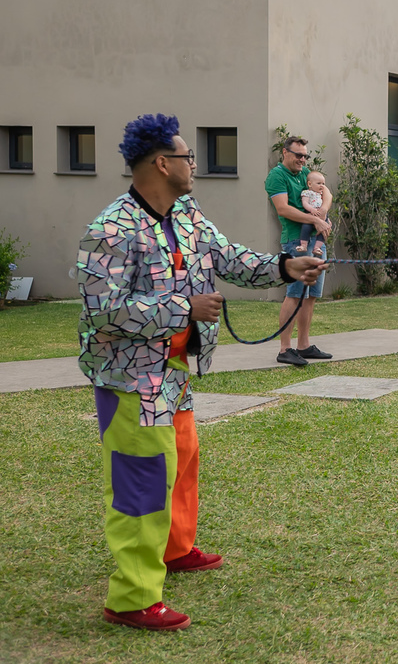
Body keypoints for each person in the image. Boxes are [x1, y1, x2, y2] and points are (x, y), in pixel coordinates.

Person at [79, 114, 326, 631]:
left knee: (183, 460)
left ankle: (175, 548)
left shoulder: (187, 214)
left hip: (173, 371)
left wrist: (285, 266)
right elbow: (103, 310)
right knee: (142, 482)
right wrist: (182, 308)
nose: (195, 165)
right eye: (189, 157)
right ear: (162, 163)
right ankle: (131, 598)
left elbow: (230, 258)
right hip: (130, 378)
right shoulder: (110, 229)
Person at [266, 136, 333, 367]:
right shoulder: (277, 176)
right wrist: (314, 219)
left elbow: (328, 194)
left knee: (311, 295)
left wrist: (322, 213)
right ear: (285, 153)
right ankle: (285, 348)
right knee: (295, 293)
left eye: (305, 155)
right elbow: (283, 209)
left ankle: (304, 345)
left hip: (316, 239)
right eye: (298, 155)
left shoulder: (306, 174)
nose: (302, 160)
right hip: (296, 242)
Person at [296, 170, 332, 256]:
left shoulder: (320, 193)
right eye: (319, 183)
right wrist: (312, 210)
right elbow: (305, 203)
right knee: (306, 227)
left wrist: (327, 218)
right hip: (311, 213)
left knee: (324, 230)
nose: (322, 186)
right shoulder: (308, 193)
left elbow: (328, 198)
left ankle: (317, 247)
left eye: (323, 184)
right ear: (309, 184)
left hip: (321, 214)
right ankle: (303, 245)